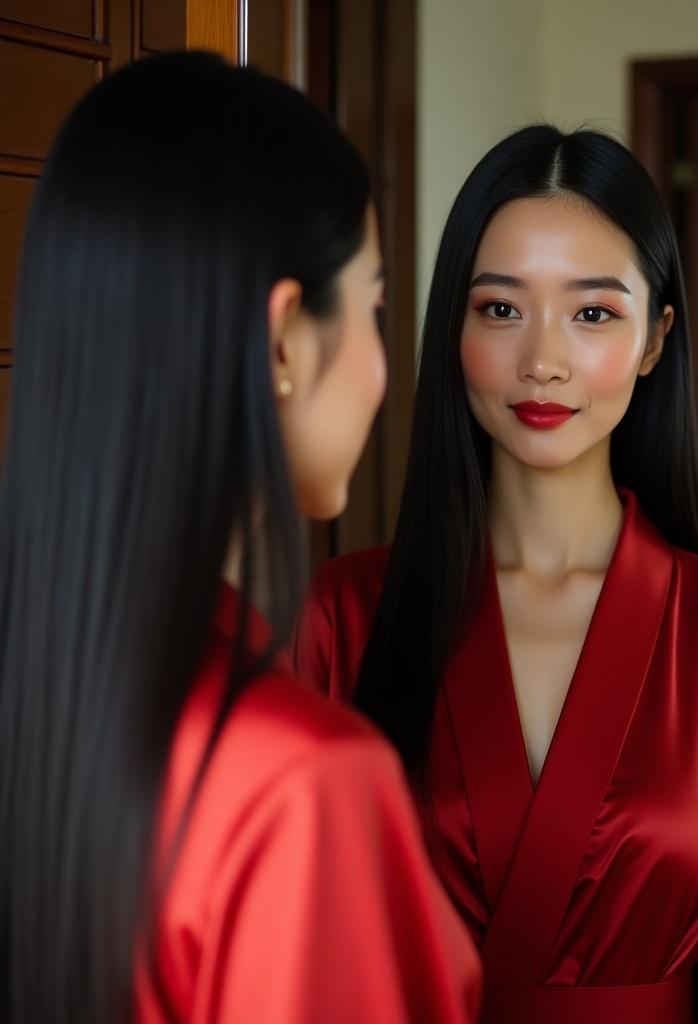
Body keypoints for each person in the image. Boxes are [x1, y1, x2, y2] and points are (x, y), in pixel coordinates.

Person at [293, 124, 698, 1023]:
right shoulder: (343, 615)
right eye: (500, 309)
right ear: (452, 325)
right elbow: (288, 953)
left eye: (594, 312)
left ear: (655, 340)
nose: (543, 360)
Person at [0, 52, 480, 1024]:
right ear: (281, 341)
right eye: (377, 307)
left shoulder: (42, 701)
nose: (389, 369)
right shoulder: (298, 780)